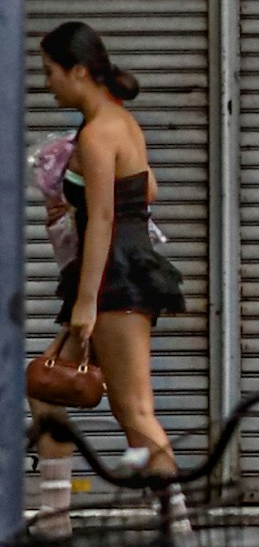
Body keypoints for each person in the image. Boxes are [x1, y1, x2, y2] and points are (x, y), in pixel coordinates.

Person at [28, 24, 178, 482]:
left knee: (134, 411)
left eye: (50, 72)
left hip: (113, 277)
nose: (47, 83)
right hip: (126, 267)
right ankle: (54, 522)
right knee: (46, 390)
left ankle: (180, 533)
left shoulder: (96, 135)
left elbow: (104, 220)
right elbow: (146, 188)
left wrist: (86, 304)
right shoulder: (122, 122)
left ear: (78, 71)